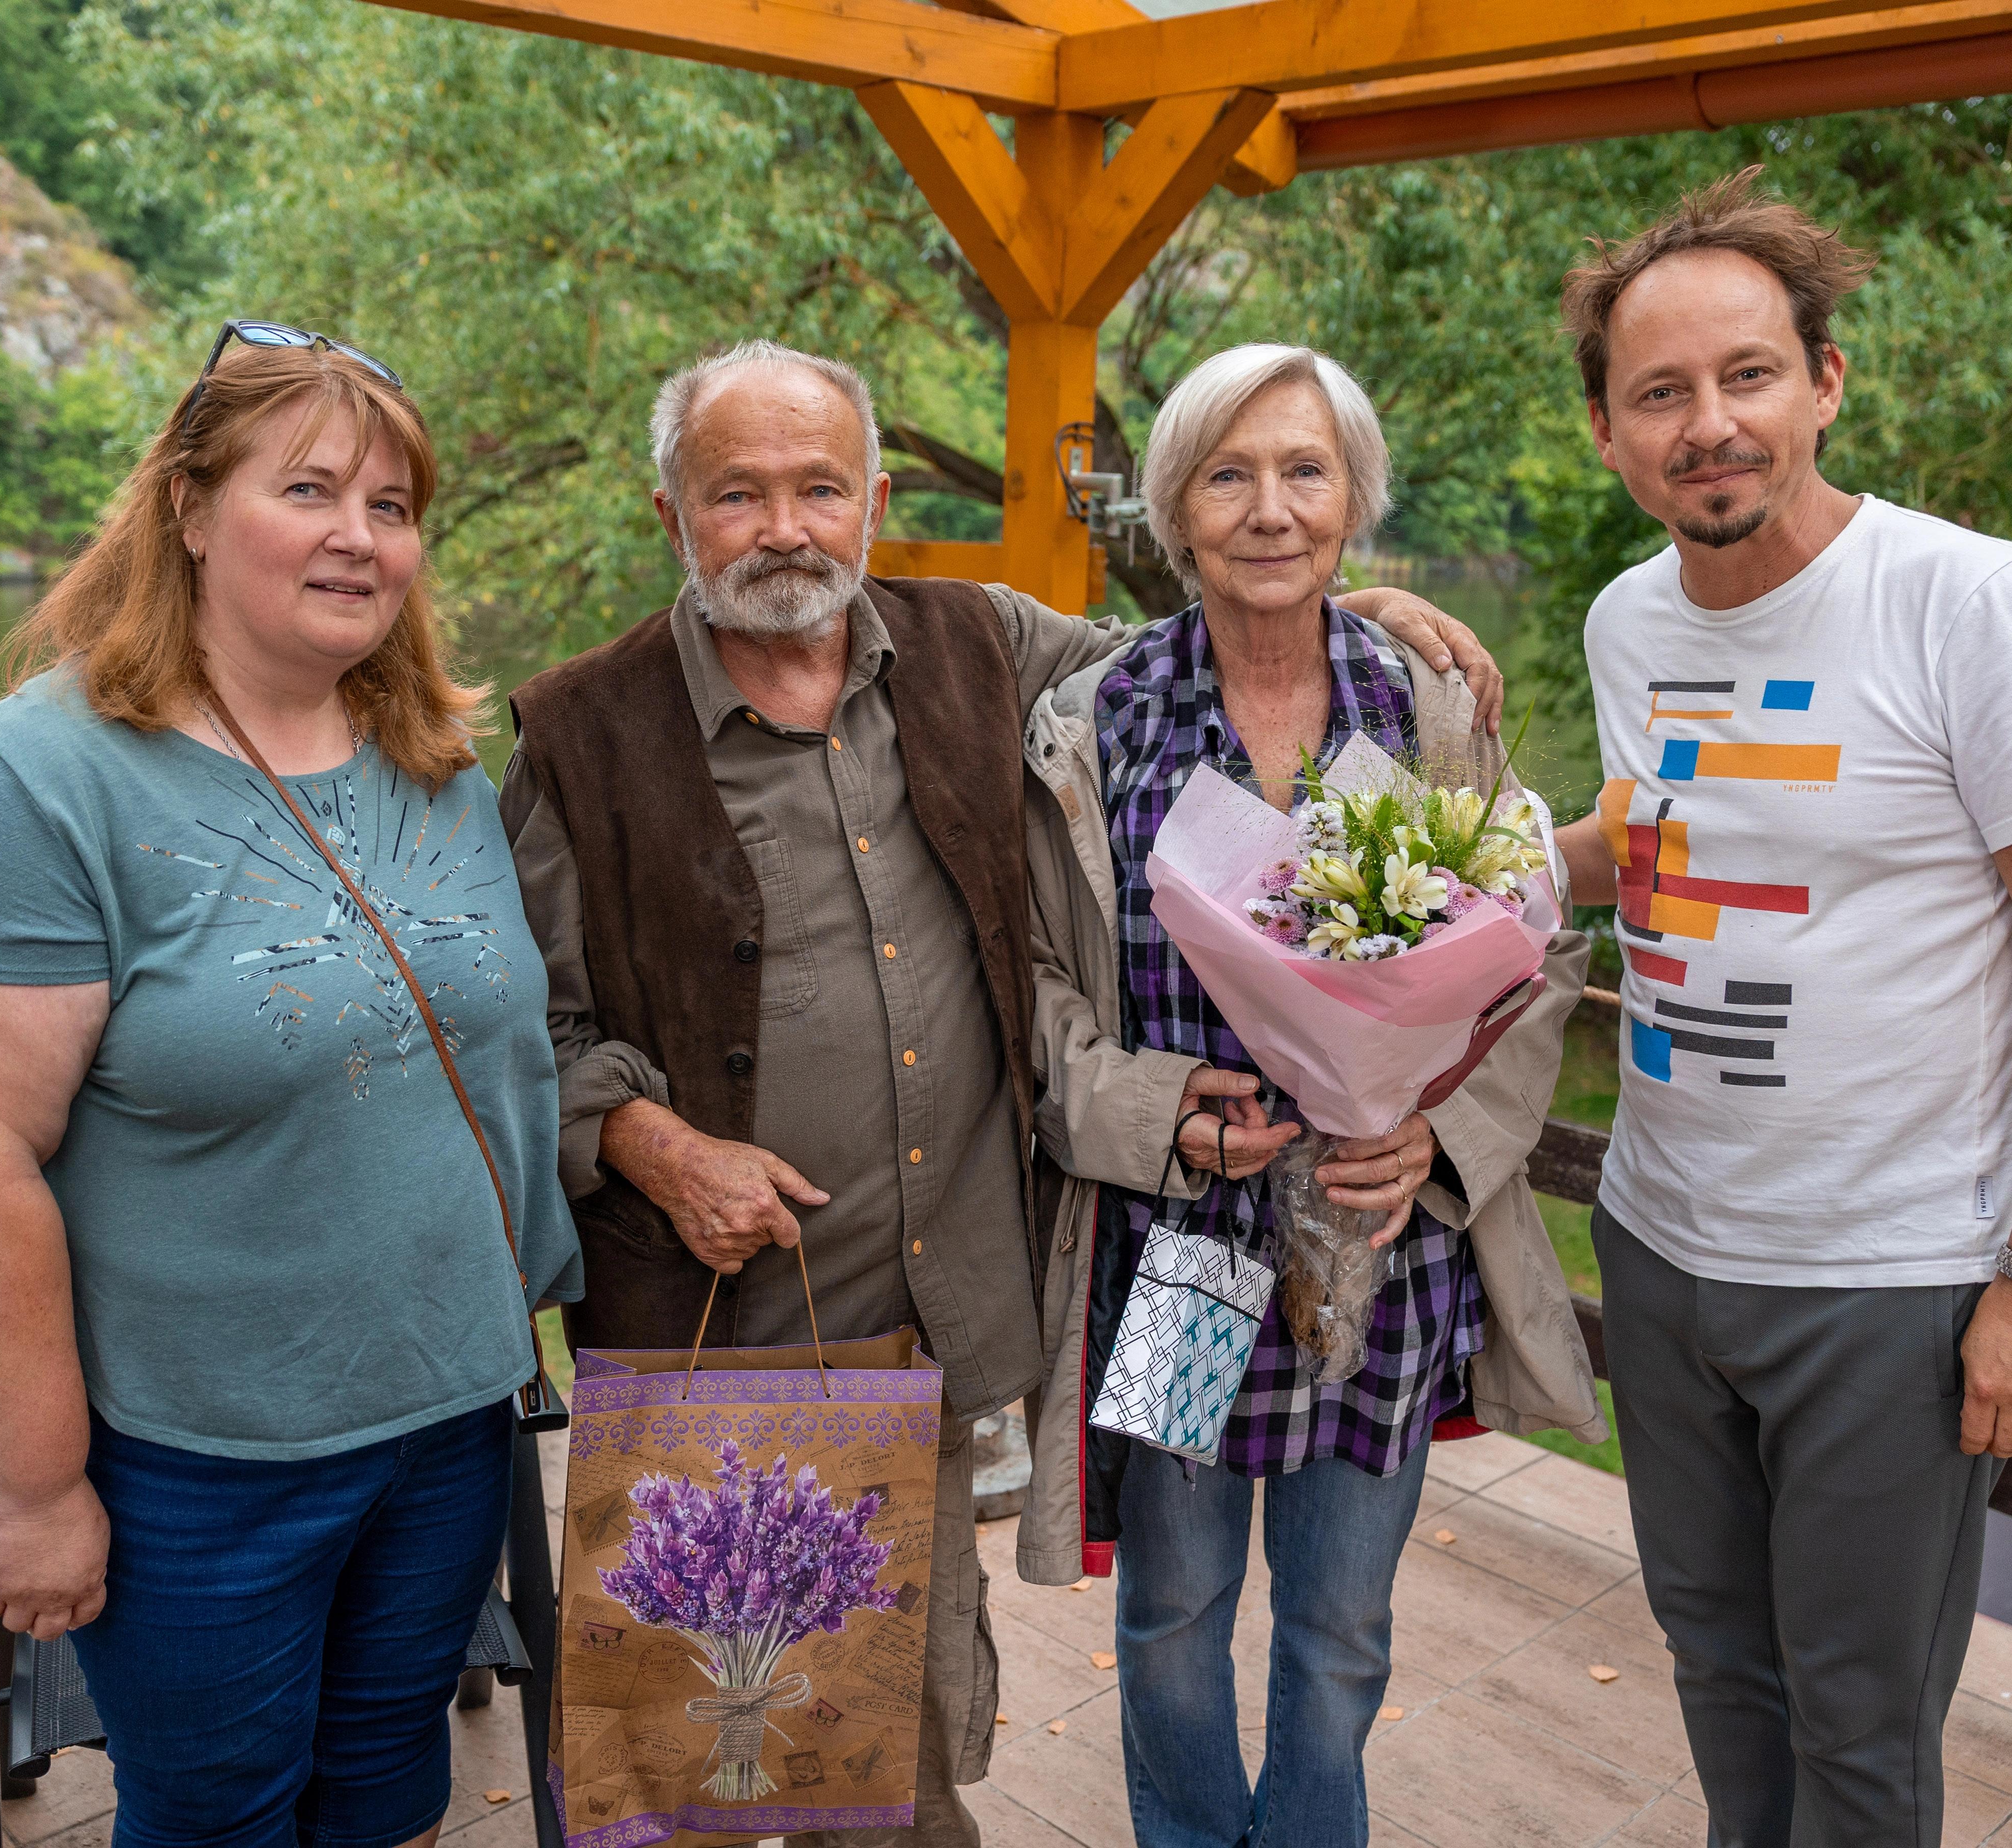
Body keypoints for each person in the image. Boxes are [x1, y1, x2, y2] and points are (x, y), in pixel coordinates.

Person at [499, 338, 1496, 1848]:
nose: (785, 527)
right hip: (761, 1311)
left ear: (877, 500)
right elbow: (523, 1027)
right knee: (701, 1744)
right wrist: (649, 1139)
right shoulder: (579, 732)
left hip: (954, 1304)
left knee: (910, 1724)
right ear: (672, 516)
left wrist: (1335, 600)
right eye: (738, 493)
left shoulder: (982, 646)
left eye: (820, 487)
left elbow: (1228, 627)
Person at [0, 323, 581, 1848]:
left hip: (447, 1417)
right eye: (308, 488)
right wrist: (40, 1492)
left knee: (391, 1789)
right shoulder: (34, 784)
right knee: (217, 1817)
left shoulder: (435, 755)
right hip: (200, 1459)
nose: (356, 537)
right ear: (187, 507)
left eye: (391, 506)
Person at [1549, 171, 2012, 1845]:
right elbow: (1655, 846)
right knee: (1717, 1672)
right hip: (1663, 1247)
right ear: (1608, 430)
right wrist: (1426, 871)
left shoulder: (1975, 605)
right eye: (1659, 393)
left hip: (1886, 1281)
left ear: (1826, 382)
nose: (1709, 427)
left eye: (1747, 375)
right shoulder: (1628, 620)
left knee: (1861, 1725)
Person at [1014, 342, 1606, 1848]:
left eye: (1305, 471)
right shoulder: (1104, 719)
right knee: (1172, 1618)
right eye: (1229, 474)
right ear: (1173, 510)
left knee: (1342, 1633)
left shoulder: (1430, 705)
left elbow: (1528, 963)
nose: (1269, 510)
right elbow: (1042, 1001)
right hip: (1182, 1258)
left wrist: (1435, 1135)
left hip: (1384, 1256)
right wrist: (1165, 1114)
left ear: (1353, 499)